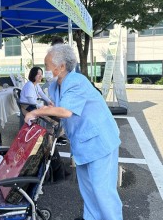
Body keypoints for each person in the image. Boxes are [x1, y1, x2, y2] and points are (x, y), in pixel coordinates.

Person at [24, 44, 123, 220]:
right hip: (82, 143)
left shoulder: (77, 81)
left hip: (100, 141)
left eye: (47, 66)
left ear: (61, 66)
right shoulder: (55, 87)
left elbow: (66, 111)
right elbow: (58, 111)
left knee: (103, 191)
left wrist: (36, 112)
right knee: (88, 190)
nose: (45, 70)